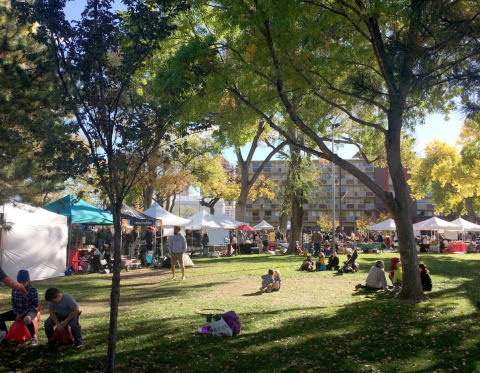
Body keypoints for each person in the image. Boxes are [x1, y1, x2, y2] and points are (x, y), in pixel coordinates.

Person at [0, 270, 38, 345]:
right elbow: (13, 303)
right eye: (20, 282)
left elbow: (35, 305)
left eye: (24, 282)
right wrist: (16, 313)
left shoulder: (33, 290)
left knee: (27, 319)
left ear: (28, 281)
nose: (22, 284)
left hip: (30, 311)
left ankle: (33, 336)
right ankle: (4, 333)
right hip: (18, 312)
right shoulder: (15, 289)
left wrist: (23, 314)